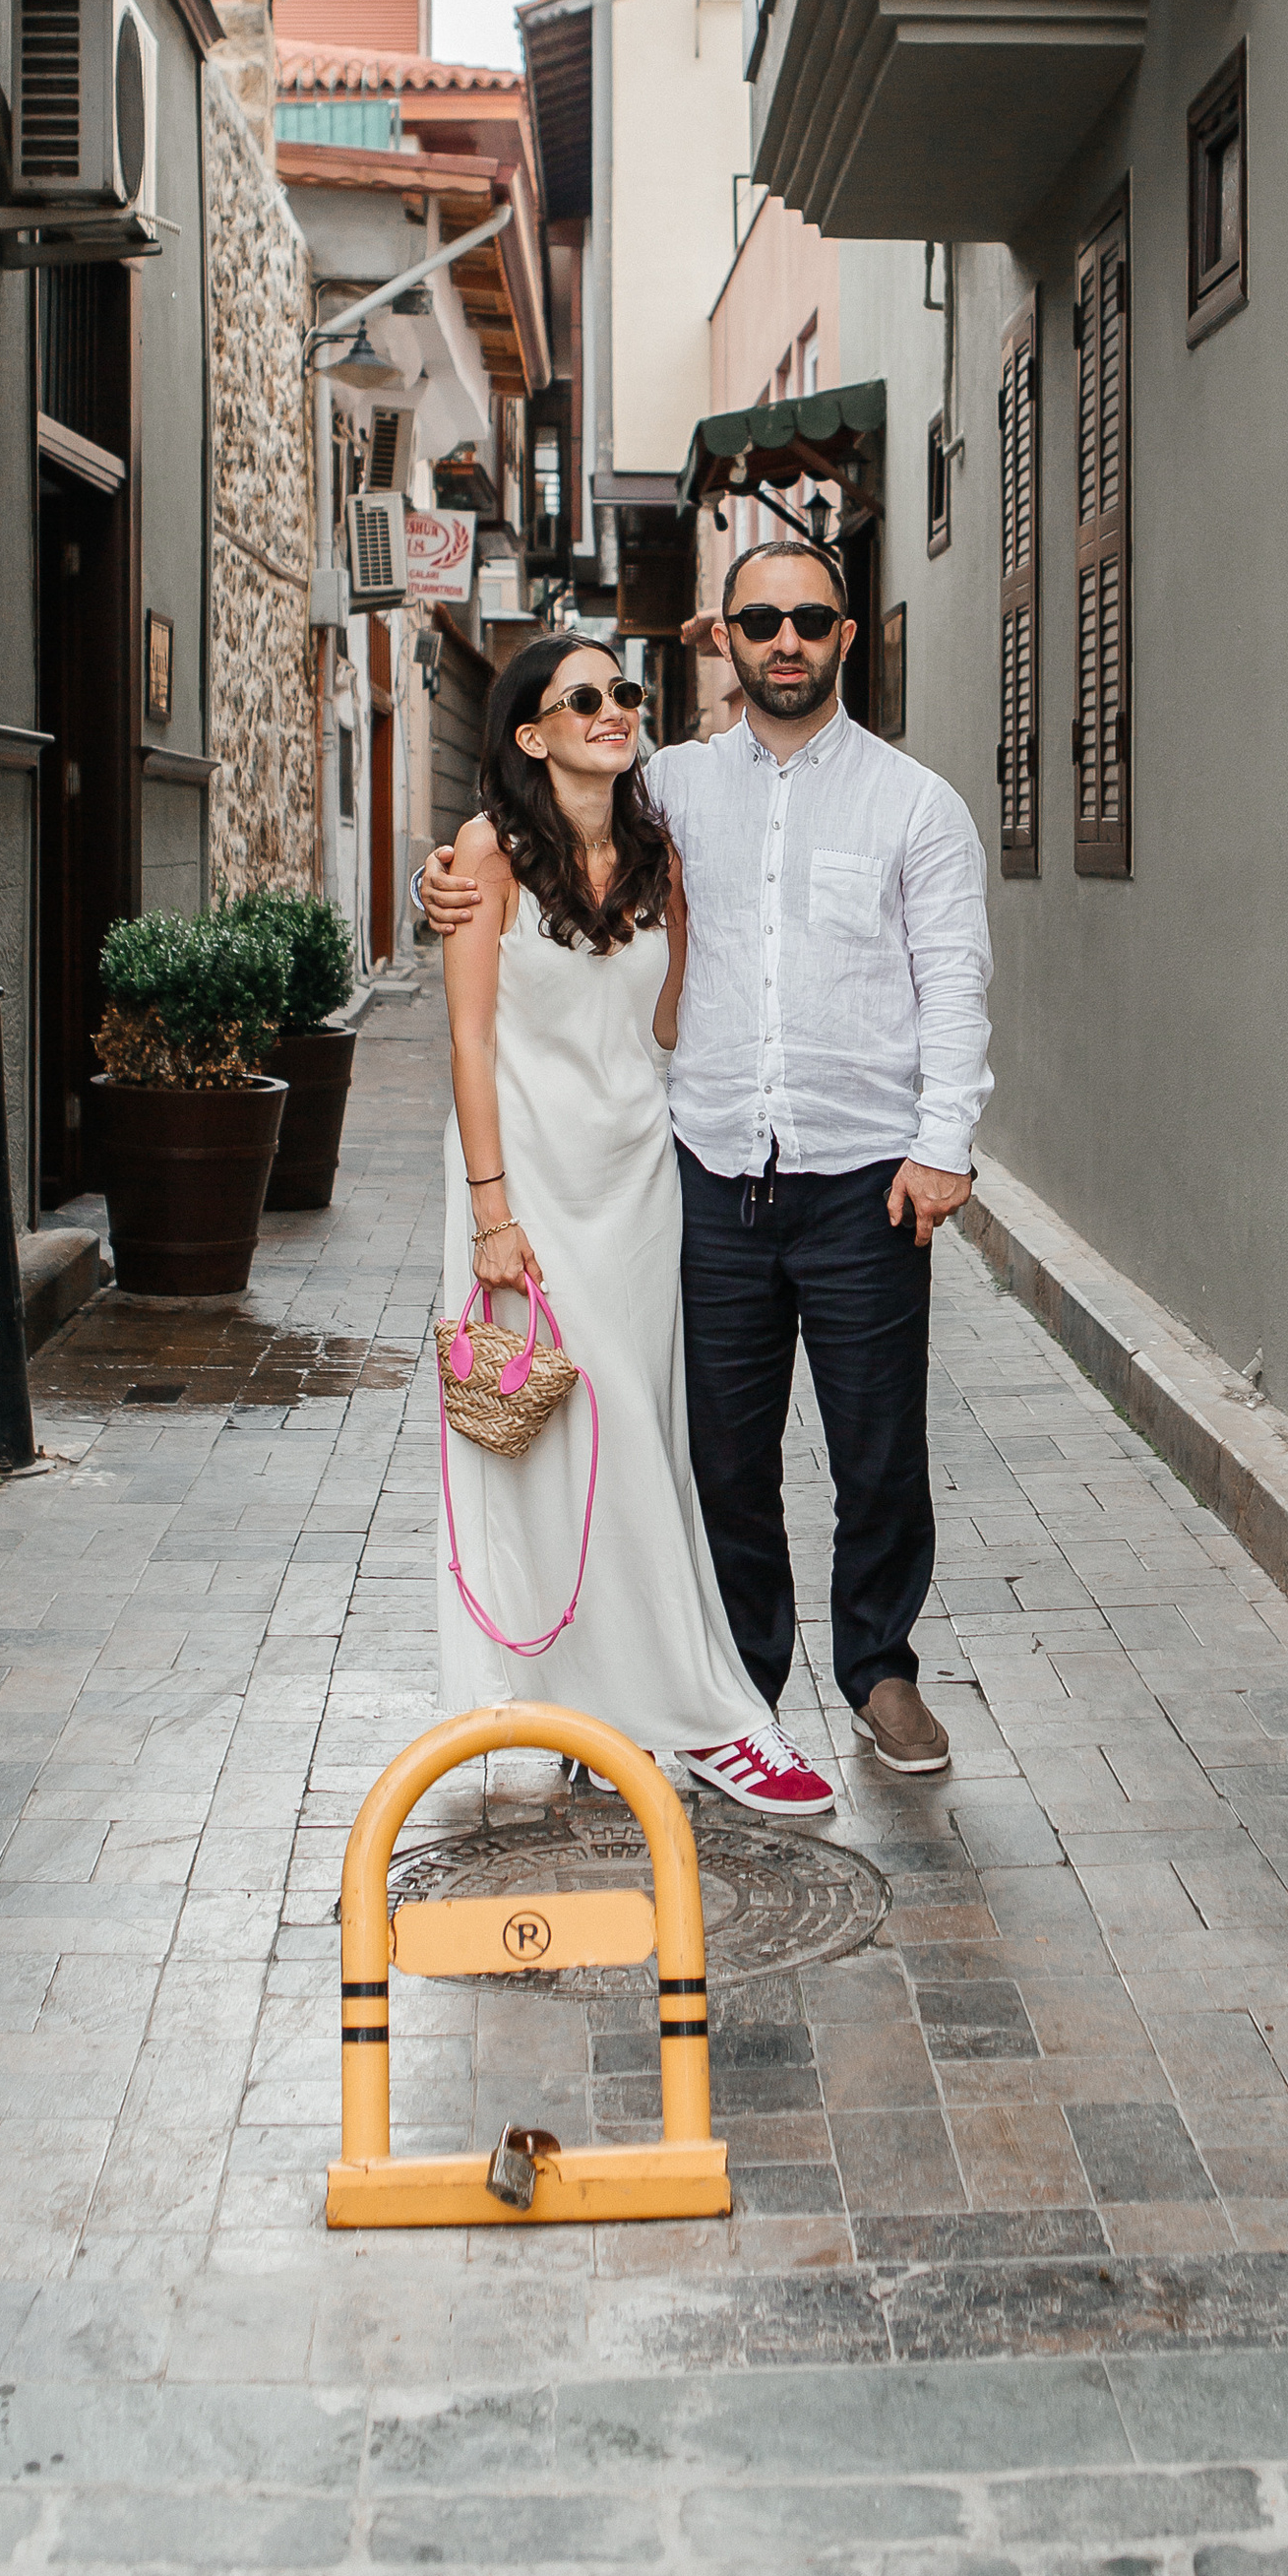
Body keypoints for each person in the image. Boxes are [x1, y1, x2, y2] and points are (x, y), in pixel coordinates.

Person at [424, 539, 993, 1783]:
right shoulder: (667, 787)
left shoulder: (915, 805)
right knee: (722, 1461)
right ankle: (737, 1682)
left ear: (846, 637)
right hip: (707, 1180)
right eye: (761, 622)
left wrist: (942, 1145)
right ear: (725, 639)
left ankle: (879, 1669)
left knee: (877, 1451)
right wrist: (449, 877)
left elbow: (953, 981)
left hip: (867, 1181)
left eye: (810, 620)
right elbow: (546, 826)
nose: (786, 641)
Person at [433, 632, 836, 1814]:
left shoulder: (659, 851)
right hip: (525, 1183)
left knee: (639, 1436)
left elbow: (668, 1022)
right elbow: (468, 1039)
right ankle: (699, 1712)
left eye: (623, 691)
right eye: (584, 698)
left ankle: (624, 1707)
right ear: (530, 734)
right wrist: (490, 1211)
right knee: (557, 1441)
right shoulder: (487, 853)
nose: (614, 708)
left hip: (637, 1178)